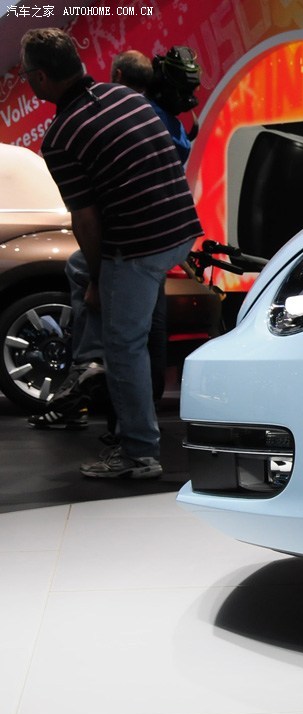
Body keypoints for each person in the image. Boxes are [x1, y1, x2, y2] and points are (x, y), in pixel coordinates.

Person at [20, 28, 203, 479]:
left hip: (138, 246)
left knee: (124, 346)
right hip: (181, 230)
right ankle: (89, 360)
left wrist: (100, 283)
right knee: (76, 267)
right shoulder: (128, 98)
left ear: (40, 78)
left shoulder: (61, 137)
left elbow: (86, 222)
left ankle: (138, 454)